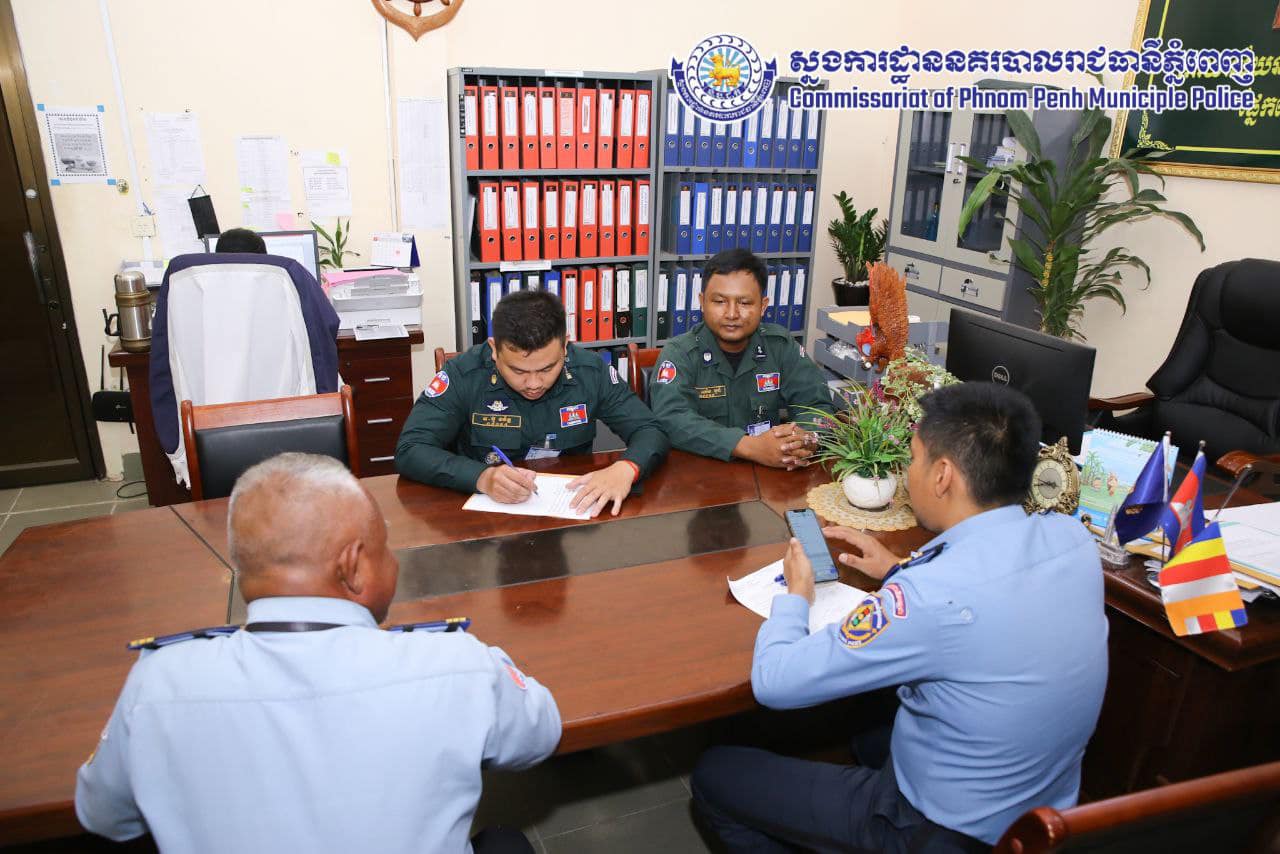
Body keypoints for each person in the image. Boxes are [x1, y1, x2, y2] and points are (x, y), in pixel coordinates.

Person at [691, 383, 1108, 852]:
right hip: (1038, 815)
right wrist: (896, 569)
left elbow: (775, 682)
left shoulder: (928, 596)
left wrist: (797, 595)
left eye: (912, 458)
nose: (908, 473)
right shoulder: (1073, 541)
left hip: (936, 832)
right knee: (870, 724)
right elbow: (986, 602)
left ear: (943, 476)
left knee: (715, 775)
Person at [75, 453, 560, 854]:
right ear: (352, 566)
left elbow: (105, 817)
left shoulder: (157, 684)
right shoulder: (455, 664)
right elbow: (537, 736)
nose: (393, 562)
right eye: (385, 548)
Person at [396, 289, 669, 517]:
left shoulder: (591, 372)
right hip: (486, 520)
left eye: (547, 368)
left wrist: (626, 468)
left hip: (569, 512)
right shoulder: (463, 375)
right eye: (518, 371)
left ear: (565, 346)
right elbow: (411, 449)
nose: (534, 383)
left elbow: (650, 430)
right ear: (494, 349)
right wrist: (481, 477)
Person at [650, 248, 833, 469]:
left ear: (763, 306)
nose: (732, 314)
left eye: (745, 303)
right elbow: (671, 418)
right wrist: (750, 447)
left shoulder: (780, 346)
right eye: (719, 301)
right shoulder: (680, 353)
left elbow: (817, 405)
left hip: (771, 473)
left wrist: (805, 439)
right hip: (701, 475)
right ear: (702, 302)